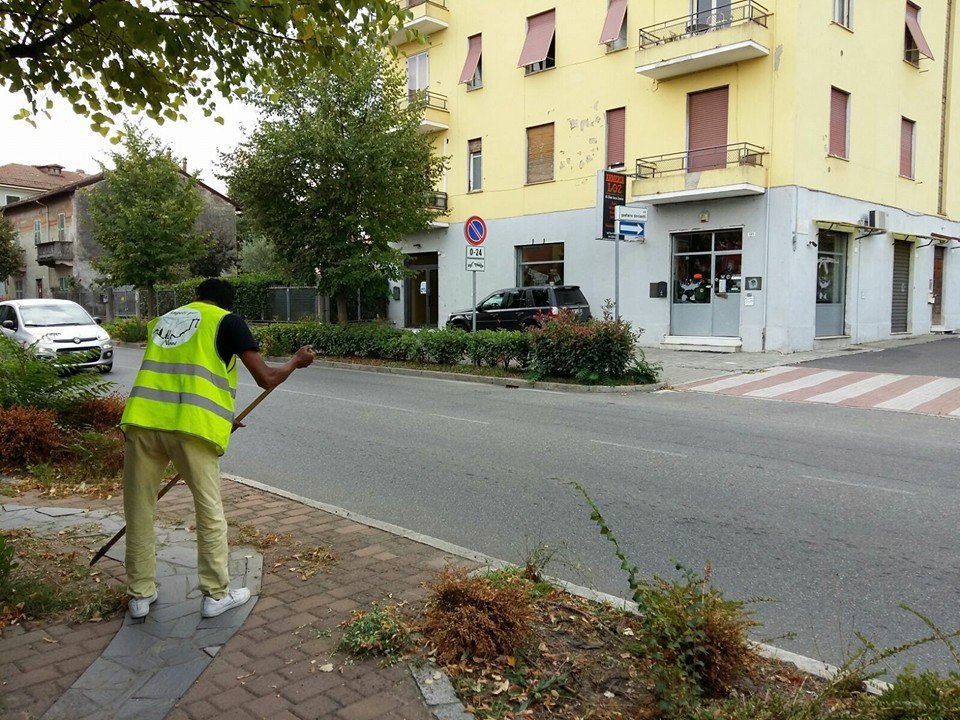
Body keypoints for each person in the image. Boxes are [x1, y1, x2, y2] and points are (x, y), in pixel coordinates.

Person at [119, 278, 316, 619]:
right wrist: (296, 361)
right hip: (190, 432)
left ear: (196, 297)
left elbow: (176, 378)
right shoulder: (227, 322)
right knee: (209, 512)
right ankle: (215, 595)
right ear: (228, 304)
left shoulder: (165, 320)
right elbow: (266, 378)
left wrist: (223, 416)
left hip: (142, 421)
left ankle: (140, 595)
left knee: (139, 510)